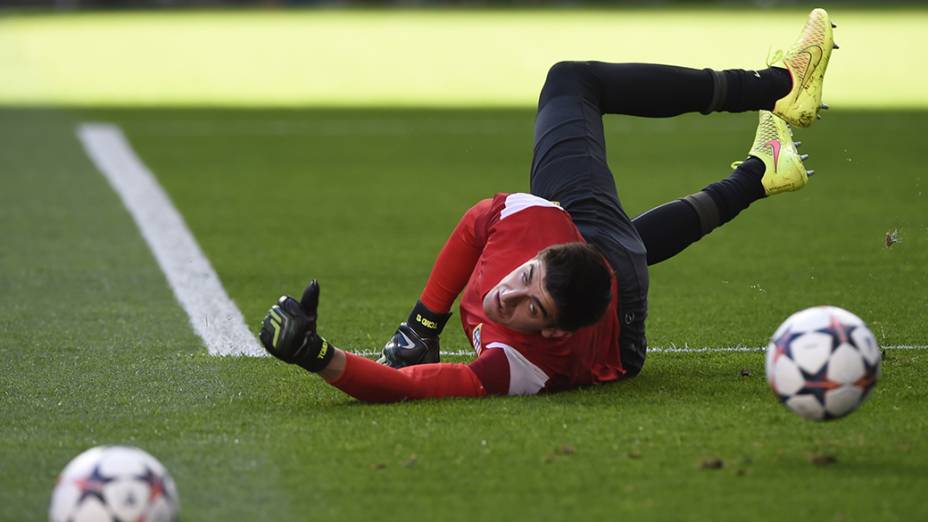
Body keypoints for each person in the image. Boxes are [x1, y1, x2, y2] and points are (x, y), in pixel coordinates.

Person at [258, 9, 837, 402]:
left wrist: (314, 354)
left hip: (610, 301)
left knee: (619, 237)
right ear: (550, 246)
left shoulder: (520, 352)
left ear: (554, 331)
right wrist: (420, 326)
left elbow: (404, 388)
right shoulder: (529, 258)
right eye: (528, 279)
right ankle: (774, 96)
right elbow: (472, 227)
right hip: (609, 296)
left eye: (531, 307)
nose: (509, 294)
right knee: (576, 97)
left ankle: (767, 154)